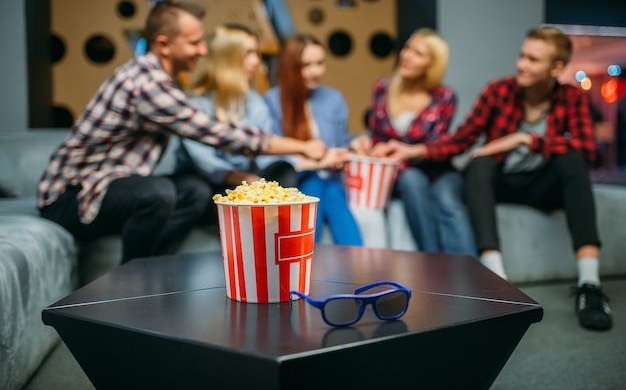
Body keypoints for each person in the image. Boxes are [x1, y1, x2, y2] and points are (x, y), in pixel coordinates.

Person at [37, 0, 325, 263]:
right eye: (194, 42)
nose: (203, 50)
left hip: (108, 184)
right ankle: (131, 284)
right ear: (163, 45)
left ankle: (160, 265)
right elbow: (222, 135)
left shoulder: (159, 79)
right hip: (70, 199)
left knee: (192, 190)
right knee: (157, 192)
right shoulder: (147, 86)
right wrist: (301, 146)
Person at [375, 26, 612, 330]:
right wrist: (413, 150)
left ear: (556, 68)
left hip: (542, 187)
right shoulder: (499, 91)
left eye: (533, 60)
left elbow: (588, 149)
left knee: (572, 162)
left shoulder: (571, 98)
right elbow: (462, 139)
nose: (521, 64)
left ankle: (590, 286)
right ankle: (498, 282)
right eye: (522, 56)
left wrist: (524, 139)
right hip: (501, 184)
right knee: (479, 162)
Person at [350, 28, 475, 256]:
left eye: (418, 53)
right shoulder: (383, 88)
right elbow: (376, 135)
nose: (406, 56)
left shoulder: (444, 97)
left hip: (435, 168)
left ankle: (473, 275)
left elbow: (438, 146)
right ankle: (436, 262)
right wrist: (369, 146)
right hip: (398, 172)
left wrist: (405, 152)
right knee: (412, 180)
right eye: (407, 48)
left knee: (448, 201)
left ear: (431, 64)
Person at [175, 23, 297, 216]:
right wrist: (246, 179)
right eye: (249, 53)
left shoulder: (256, 103)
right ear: (228, 58)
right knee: (199, 189)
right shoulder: (196, 105)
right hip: (212, 182)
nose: (256, 62)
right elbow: (206, 164)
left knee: (284, 170)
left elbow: (266, 153)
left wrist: (311, 160)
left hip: (247, 181)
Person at [264, 33, 363, 246]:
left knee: (333, 191)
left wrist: (353, 146)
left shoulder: (334, 98)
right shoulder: (272, 101)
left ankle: (361, 269)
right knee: (316, 185)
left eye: (320, 63)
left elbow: (341, 140)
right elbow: (269, 155)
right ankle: (309, 266)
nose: (315, 71)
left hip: (331, 177)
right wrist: (316, 162)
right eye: (306, 65)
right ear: (290, 67)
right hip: (296, 178)